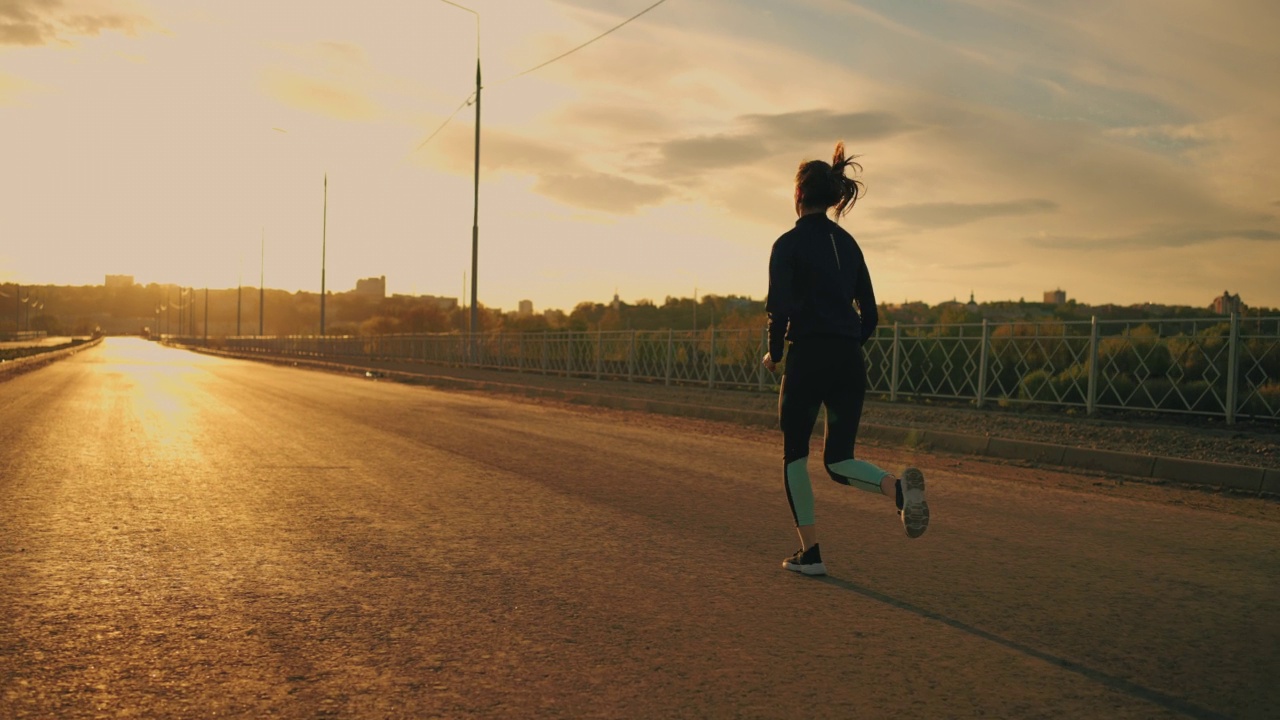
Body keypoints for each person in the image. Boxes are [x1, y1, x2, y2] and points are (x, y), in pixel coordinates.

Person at [763, 141, 929, 577]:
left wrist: (775, 353)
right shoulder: (849, 244)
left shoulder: (787, 244)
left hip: (807, 361)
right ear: (833, 195)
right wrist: (847, 346)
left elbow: (779, 310)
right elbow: (871, 315)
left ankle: (811, 554)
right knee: (838, 459)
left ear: (798, 196)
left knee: (795, 456)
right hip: (848, 361)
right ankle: (896, 491)